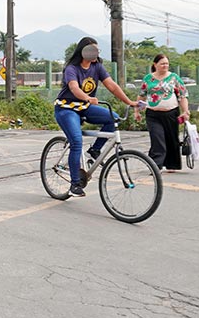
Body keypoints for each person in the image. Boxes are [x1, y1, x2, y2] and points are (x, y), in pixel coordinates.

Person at [53, 37, 141, 198]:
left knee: (112, 118)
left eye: (97, 50)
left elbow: (112, 86)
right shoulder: (71, 69)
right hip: (66, 109)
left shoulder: (97, 67)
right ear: (83, 51)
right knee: (77, 141)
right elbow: (73, 88)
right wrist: (87, 97)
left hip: (85, 108)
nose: (95, 53)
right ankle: (75, 185)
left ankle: (95, 150)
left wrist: (130, 102)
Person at [138, 54, 191, 173]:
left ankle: (172, 164)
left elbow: (183, 96)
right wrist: (137, 111)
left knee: (172, 139)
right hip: (153, 114)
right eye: (162, 63)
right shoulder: (148, 78)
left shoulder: (174, 78)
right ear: (155, 65)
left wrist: (185, 111)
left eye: (167, 63)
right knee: (157, 138)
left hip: (171, 113)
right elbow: (141, 95)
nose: (165, 66)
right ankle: (156, 166)